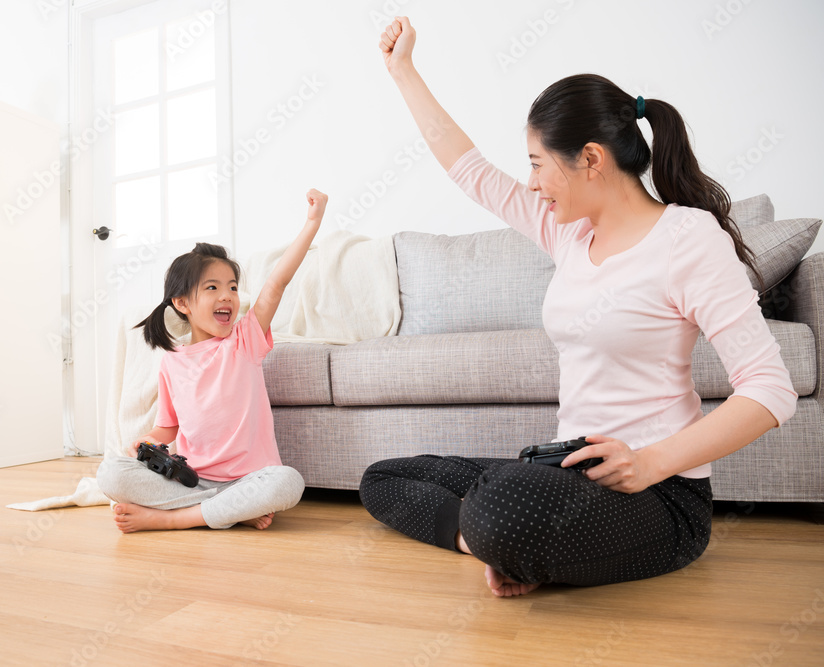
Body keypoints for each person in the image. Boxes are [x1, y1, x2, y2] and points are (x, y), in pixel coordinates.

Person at [359, 17, 797, 597]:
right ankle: (486, 539)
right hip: (567, 469)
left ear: (590, 158)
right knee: (383, 478)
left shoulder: (687, 239)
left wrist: (649, 463)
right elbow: (467, 169)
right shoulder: (569, 233)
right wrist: (403, 72)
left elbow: (770, 390)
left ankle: (504, 533)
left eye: (539, 163)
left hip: (658, 496)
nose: (533, 183)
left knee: (502, 506)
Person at [96, 189, 328, 533]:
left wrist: (312, 222)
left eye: (233, 288)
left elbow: (276, 283)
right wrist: (145, 441)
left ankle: (173, 519)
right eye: (212, 288)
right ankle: (228, 512)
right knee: (110, 473)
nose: (227, 296)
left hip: (252, 479)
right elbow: (168, 428)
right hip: (195, 482)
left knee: (288, 483)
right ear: (182, 303)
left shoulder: (244, 341)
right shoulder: (171, 363)